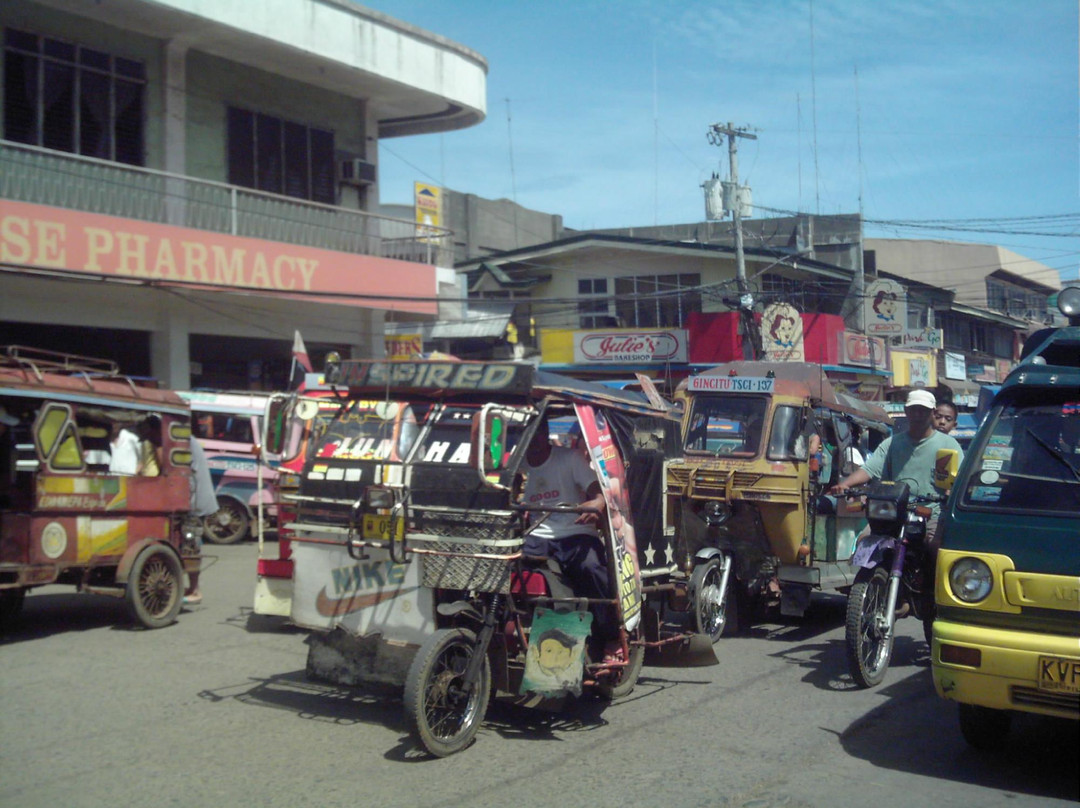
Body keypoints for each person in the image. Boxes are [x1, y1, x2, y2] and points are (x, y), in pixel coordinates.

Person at [830, 389, 964, 613]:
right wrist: (846, 484)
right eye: (914, 410)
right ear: (905, 412)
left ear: (932, 413)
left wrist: (952, 492)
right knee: (864, 540)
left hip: (929, 510)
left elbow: (956, 479)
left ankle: (935, 595)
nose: (918, 415)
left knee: (934, 546)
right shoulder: (892, 444)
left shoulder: (947, 445)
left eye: (923, 410)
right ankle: (868, 589)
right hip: (894, 508)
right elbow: (870, 469)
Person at [521, 415, 619, 659]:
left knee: (592, 568)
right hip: (537, 538)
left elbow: (596, 493)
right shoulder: (518, 464)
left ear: (546, 433)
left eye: (539, 432)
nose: (534, 439)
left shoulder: (569, 459)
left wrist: (596, 504)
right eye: (529, 433)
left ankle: (612, 636)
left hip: (575, 533)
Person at [184, 436, 219, 606]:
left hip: (195, 501)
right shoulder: (187, 440)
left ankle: (195, 589)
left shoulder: (184, 441)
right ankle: (191, 587)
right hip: (193, 499)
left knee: (191, 542)